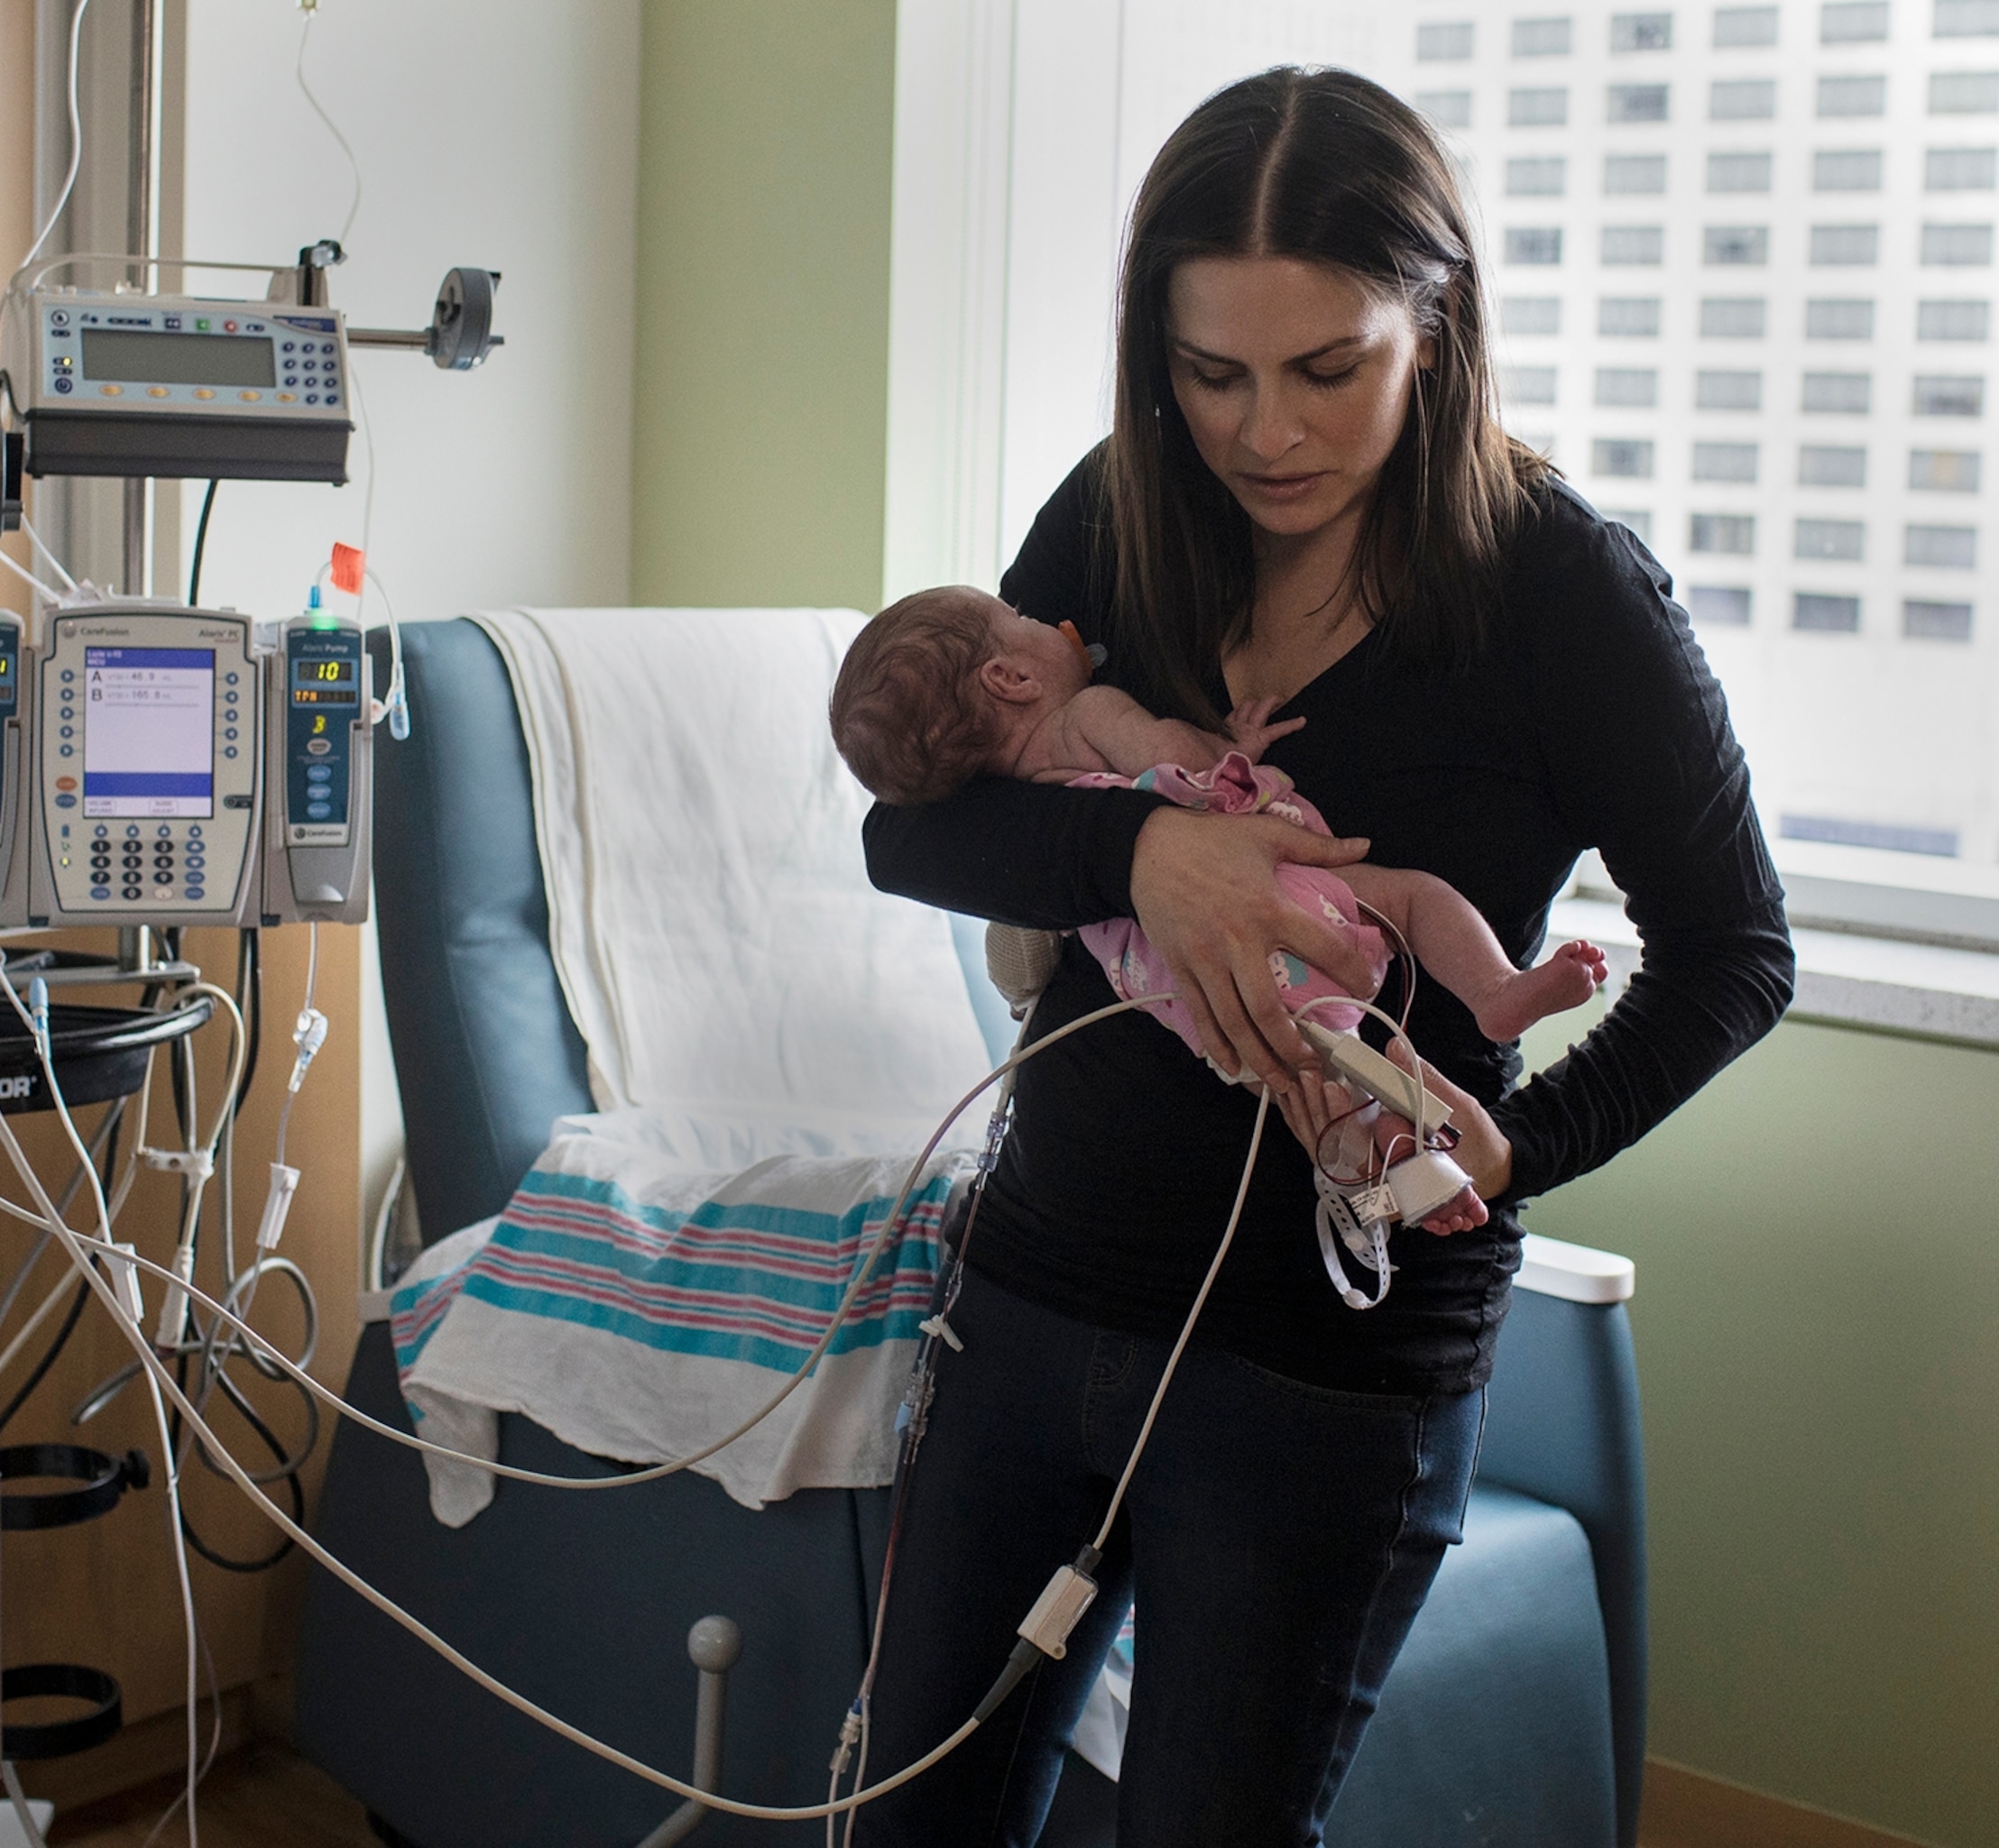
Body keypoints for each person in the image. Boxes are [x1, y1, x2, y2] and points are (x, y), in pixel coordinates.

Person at [848, 68, 1792, 1846]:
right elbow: (915, 822)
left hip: (1319, 1387)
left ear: (1433, 326)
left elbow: (1739, 952)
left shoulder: (1563, 592)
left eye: (1324, 368)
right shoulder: (1120, 518)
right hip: (1032, 1303)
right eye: (1211, 373)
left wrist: (1519, 1153)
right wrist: (1154, 849)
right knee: (901, 1818)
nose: (1261, 430)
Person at [828, 584, 1611, 1172]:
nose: (1045, 618)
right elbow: (1191, 764)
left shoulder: (1015, 807)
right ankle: (1495, 989)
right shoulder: (1092, 709)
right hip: (1275, 885)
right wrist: (1229, 738)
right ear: (1011, 679)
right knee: (1409, 895)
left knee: (1311, 1069)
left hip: (1187, 985)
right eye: (1023, 620)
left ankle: (1378, 1149)